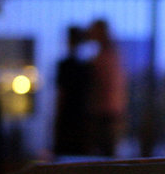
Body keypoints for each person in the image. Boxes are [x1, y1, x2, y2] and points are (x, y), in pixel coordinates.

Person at [86, 19, 128, 157]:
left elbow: (104, 85)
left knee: (105, 152)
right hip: (110, 110)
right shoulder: (110, 54)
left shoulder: (106, 56)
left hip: (106, 111)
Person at [53, 24, 92, 156]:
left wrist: (57, 118)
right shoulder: (86, 66)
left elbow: (61, 93)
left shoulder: (66, 65)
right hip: (82, 115)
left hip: (69, 115)